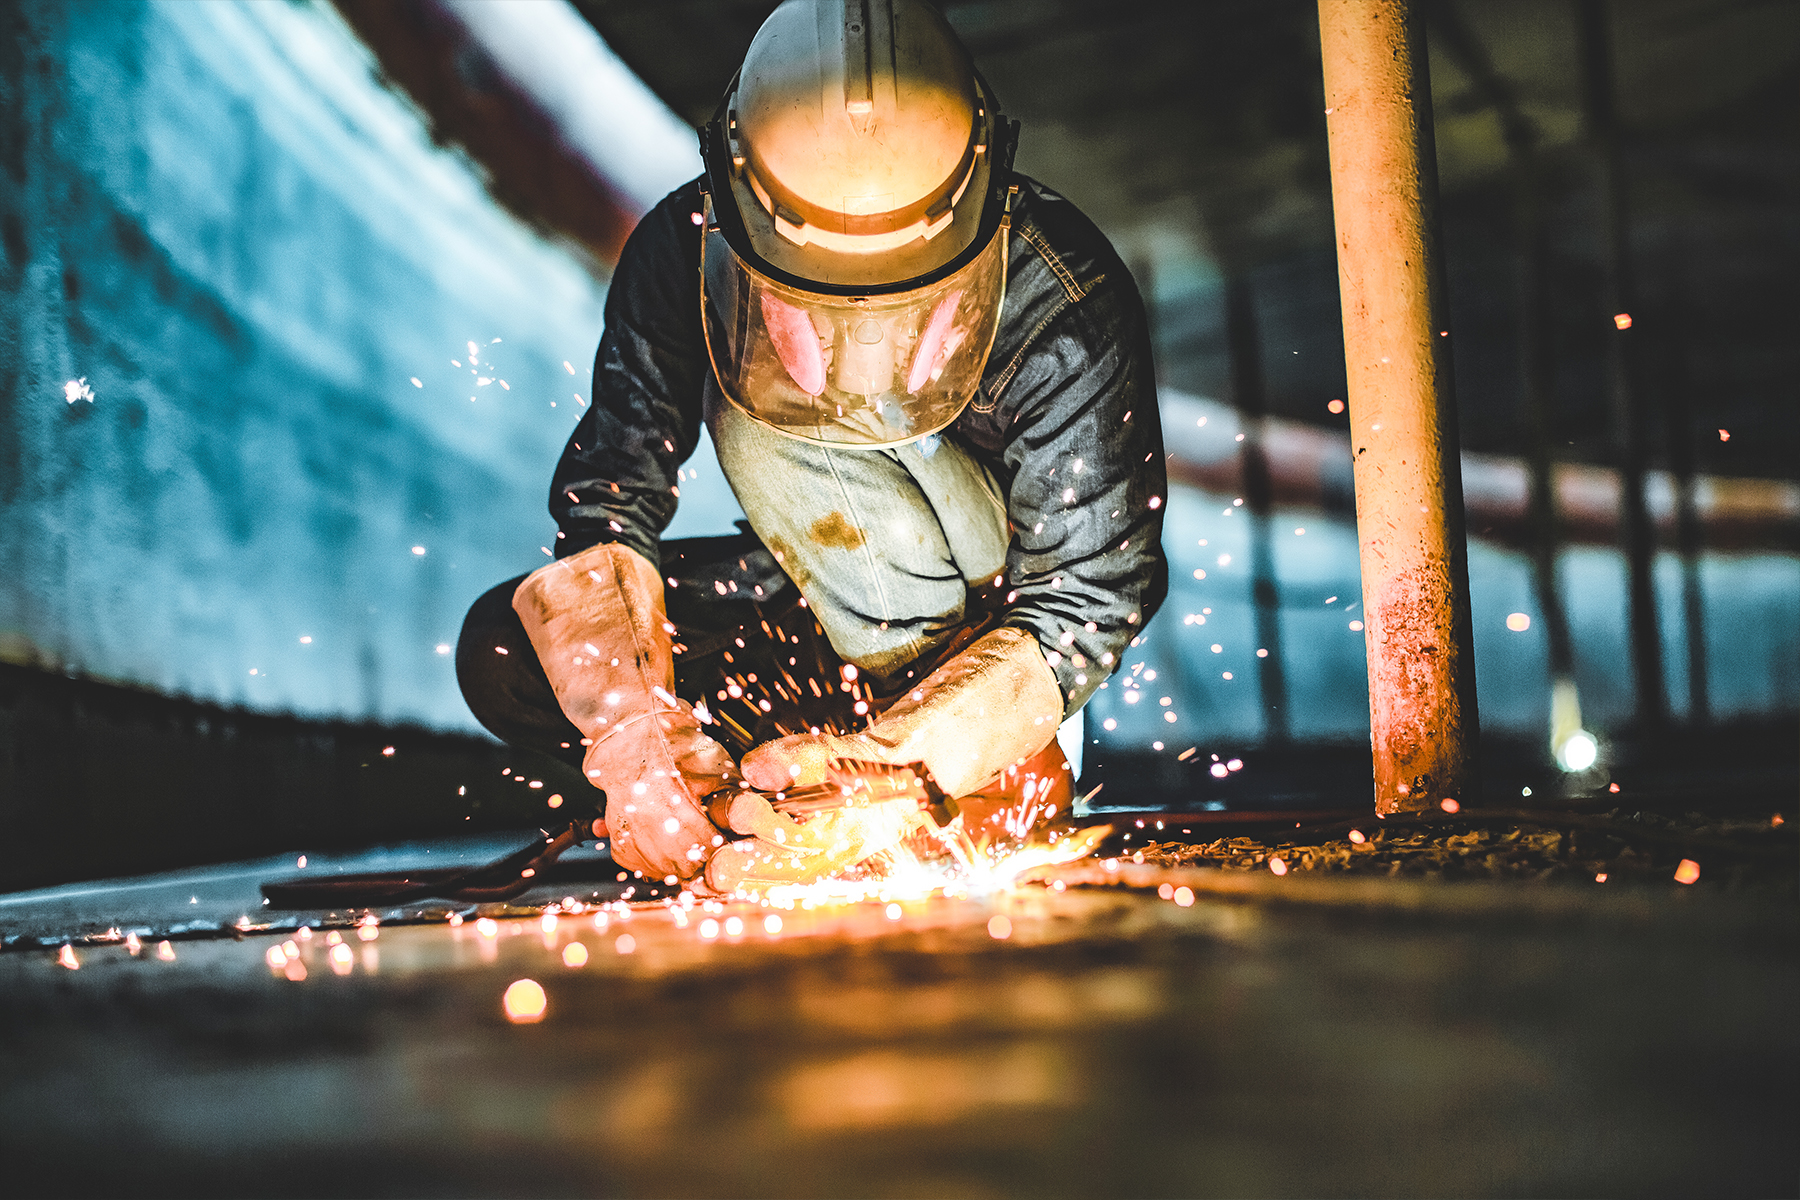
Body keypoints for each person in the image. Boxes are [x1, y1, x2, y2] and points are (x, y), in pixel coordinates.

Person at [457, 0, 1166, 894]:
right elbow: (609, 503)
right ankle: (764, 789)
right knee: (507, 655)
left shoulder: (1064, 301)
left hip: (975, 649)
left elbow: (1090, 594)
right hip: (813, 608)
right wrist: (639, 736)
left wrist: (904, 765)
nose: (858, 344)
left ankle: (968, 780)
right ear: (734, 197)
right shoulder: (682, 252)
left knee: (770, 427)